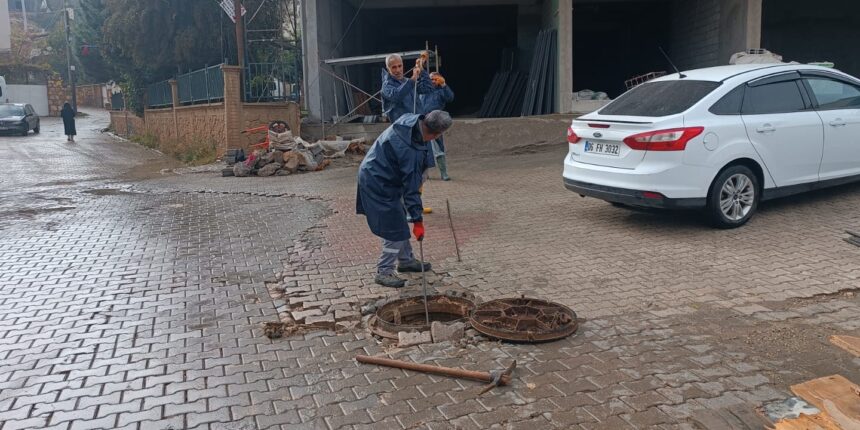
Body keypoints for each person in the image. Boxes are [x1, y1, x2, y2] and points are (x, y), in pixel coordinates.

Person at [356, 110, 454, 288]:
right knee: (394, 228)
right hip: (377, 181)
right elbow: (411, 190)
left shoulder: (411, 121)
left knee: (398, 221)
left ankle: (406, 260)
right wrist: (417, 220)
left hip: (381, 174)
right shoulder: (409, 150)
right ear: (437, 135)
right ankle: (384, 271)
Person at [420, 72, 455, 181]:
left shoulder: (441, 91)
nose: (433, 81)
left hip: (436, 123)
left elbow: (450, 98)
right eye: (431, 79)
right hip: (423, 122)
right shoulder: (423, 91)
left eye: (435, 79)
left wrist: (444, 84)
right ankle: (424, 173)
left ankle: (443, 173)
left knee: (438, 148)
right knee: (422, 150)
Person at [381, 53, 432, 123]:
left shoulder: (408, 82)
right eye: (394, 67)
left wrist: (422, 70)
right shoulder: (386, 86)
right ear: (388, 68)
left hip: (418, 123)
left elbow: (427, 88)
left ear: (402, 65)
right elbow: (397, 96)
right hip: (402, 128)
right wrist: (413, 79)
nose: (398, 70)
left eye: (400, 66)